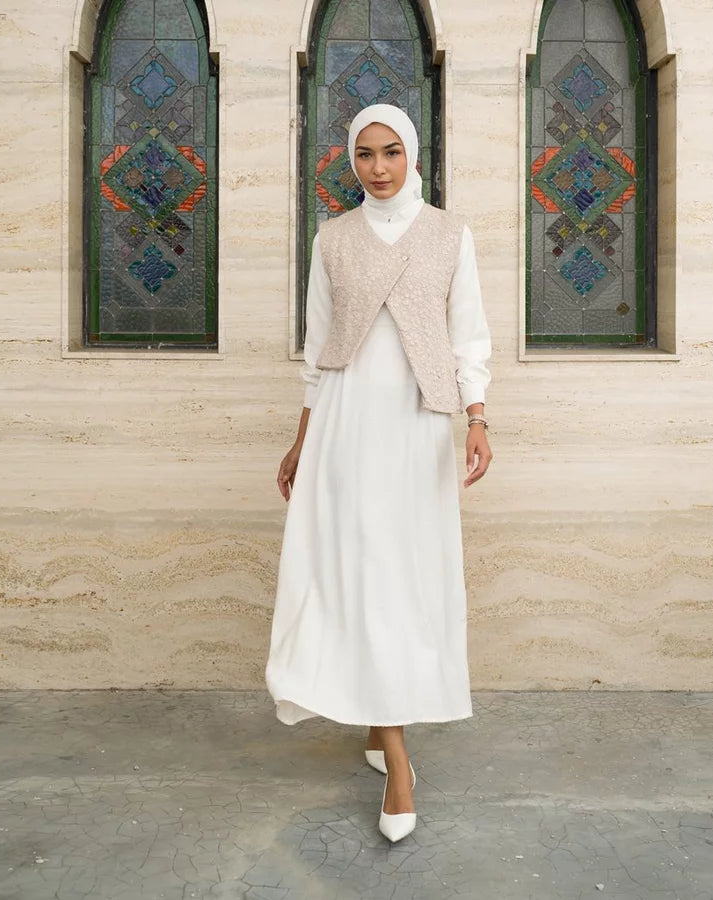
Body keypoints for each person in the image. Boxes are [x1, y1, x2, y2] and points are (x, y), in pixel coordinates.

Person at [265, 103, 492, 843]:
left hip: (418, 426)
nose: (379, 166)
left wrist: (479, 419)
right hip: (343, 426)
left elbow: (469, 338)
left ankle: (380, 728)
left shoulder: (450, 235)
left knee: (400, 576)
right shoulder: (332, 238)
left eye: (391, 152)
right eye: (364, 154)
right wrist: (301, 442)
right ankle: (396, 759)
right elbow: (317, 351)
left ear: (414, 155)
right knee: (356, 570)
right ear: (351, 161)